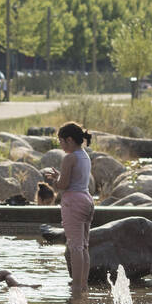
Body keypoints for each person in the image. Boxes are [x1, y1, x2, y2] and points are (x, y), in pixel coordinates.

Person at [44, 122, 95, 295]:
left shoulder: (70, 157)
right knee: (84, 246)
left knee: (74, 247)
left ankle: (76, 287)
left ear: (69, 140)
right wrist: (61, 177)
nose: (60, 145)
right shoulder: (84, 155)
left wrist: (55, 181)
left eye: (61, 141)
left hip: (73, 202)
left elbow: (64, 185)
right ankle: (83, 285)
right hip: (87, 199)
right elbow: (74, 179)